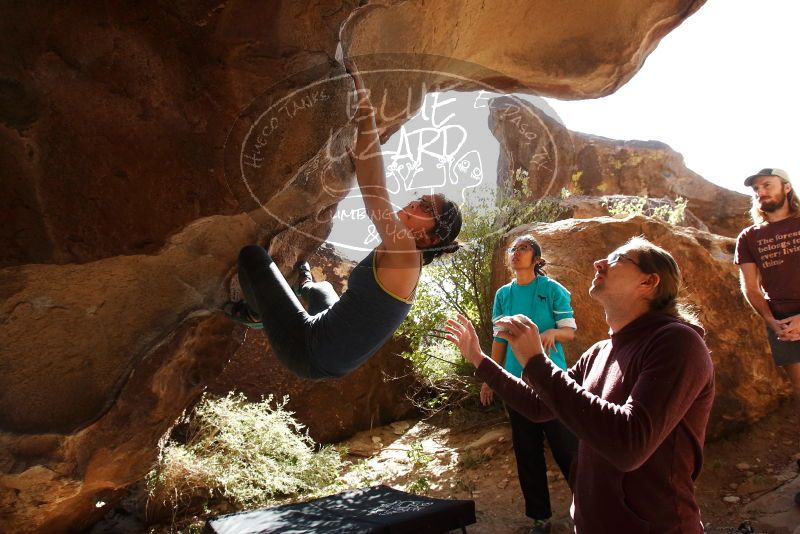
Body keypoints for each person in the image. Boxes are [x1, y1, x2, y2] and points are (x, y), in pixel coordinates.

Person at [445, 237, 714, 533]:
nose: (599, 262)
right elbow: (538, 406)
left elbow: (630, 444)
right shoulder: (601, 352)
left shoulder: (677, 342)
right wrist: (479, 358)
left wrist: (536, 362)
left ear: (649, 282)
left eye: (617, 260)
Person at [223, 63, 462, 379]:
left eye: (427, 209)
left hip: (309, 349)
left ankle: (256, 313)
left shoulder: (406, 255)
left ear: (430, 238)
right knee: (320, 290)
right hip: (334, 351)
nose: (416, 202)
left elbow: (374, 192)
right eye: (422, 197)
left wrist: (366, 114)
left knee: (251, 258)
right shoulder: (401, 252)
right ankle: (304, 283)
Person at [484, 234, 577, 532]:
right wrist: (491, 377)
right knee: (526, 450)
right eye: (514, 249)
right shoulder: (504, 295)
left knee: (566, 448)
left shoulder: (552, 290)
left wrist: (553, 335)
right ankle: (540, 518)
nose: (516, 253)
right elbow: (499, 338)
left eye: (523, 249)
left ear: (536, 259)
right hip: (516, 383)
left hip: (552, 380)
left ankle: (593, 506)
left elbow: (569, 331)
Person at [733, 168, 800, 507]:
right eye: (757, 188)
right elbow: (750, 287)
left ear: (786, 188)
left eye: (767, 185)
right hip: (783, 323)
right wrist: (773, 322)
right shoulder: (749, 237)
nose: (761, 192)